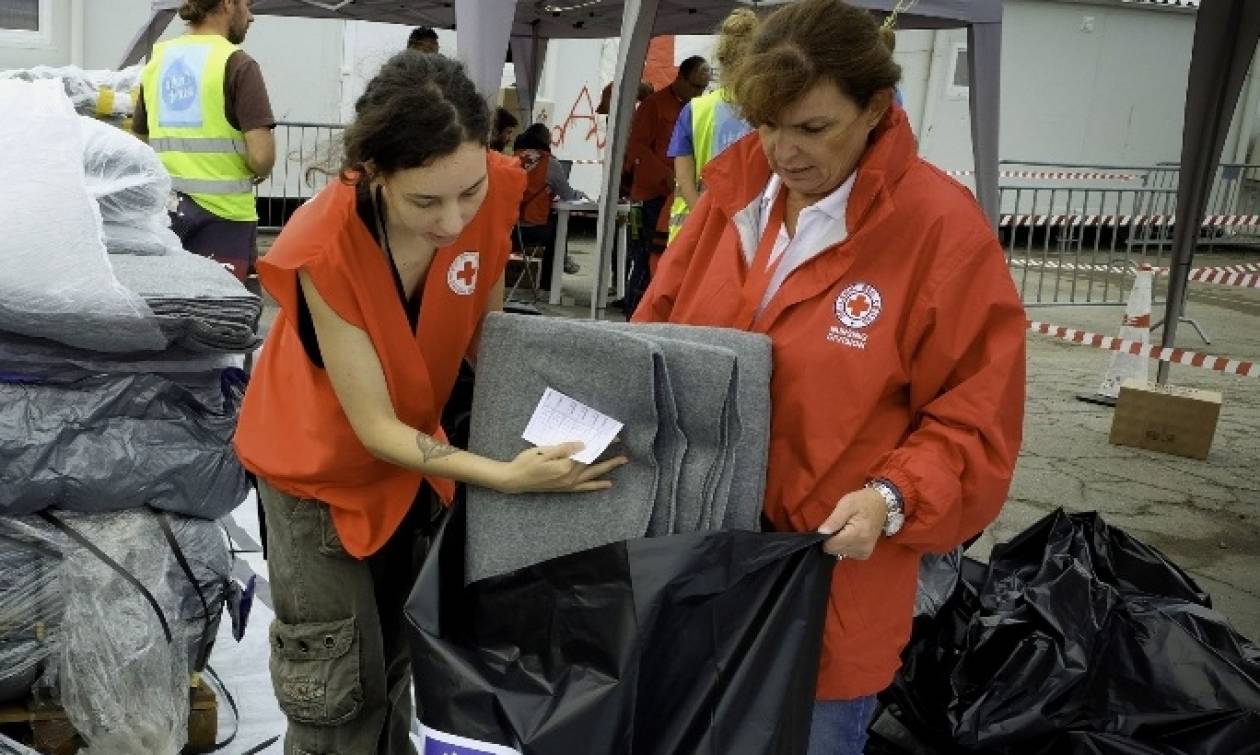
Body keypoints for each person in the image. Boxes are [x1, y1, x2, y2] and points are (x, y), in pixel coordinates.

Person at [632, 1, 1026, 753]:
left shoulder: (942, 232)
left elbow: (974, 421)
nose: (784, 150)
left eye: (813, 128)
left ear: (877, 108)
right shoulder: (733, 198)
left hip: (823, 594)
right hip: (691, 574)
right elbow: (651, 342)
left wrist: (892, 497)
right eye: (768, 123)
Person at [234, 52, 627, 755]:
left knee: (401, 666)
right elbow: (375, 426)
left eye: (467, 193)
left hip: (416, 466)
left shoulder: (496, 190)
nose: (452, 221)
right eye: (425, 203)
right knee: (336, 698)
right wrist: (505, 473)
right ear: (374, 173)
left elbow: (490, 337)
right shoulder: (323, 246)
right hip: (316, 476)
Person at [134, 0, 275, 284]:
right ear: (227, 4)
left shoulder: (158, 60)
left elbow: (139, 140)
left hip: (166, 213)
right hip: (223, 219)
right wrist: (258, 166)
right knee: (224, 315)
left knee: (168, 307)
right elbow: (261, 157)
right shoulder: (237, 63)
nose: (251, 17)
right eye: (247, 5)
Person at [623, 55, 711, 316]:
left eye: (703, 89)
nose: (699, 93)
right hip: (652, 195)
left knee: (667, 262)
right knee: (644, 259)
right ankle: (634, 312)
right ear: (680, 78)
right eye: (695, 86)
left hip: (677, 196)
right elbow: (637, 148)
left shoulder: (697, 109)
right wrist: (667, 177)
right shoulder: (654, 106)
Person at [666, 9, 758, 243]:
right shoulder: (770, 111)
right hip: (750, 232)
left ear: (722, 60)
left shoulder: (695, 110)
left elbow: (684, 180)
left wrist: (707, 223)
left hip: (695, 234)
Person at [514, 123, 584, 289]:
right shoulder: (549, 163)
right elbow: (567, 195)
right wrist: (578, 195)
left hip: (509, 227)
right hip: (532, 226)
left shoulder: (513, 158)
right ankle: (549, 284)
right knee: (558, 229)